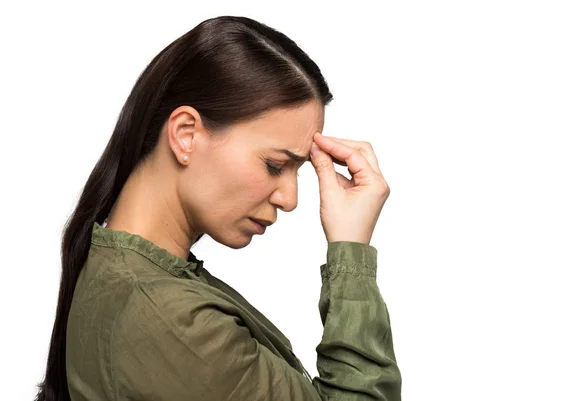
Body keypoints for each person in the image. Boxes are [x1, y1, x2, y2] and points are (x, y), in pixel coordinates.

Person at [34, 15, 401, 401]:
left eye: (298, 170)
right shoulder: (169, 318)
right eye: (275, 165)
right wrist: (350, 251)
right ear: (186, 135)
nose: (290, 200)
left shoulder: (129, 277)